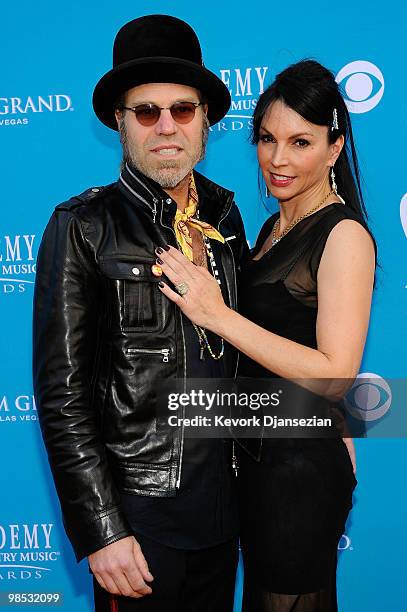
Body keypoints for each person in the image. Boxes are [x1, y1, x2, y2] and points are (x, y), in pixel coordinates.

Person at [33, 14, 248, 612]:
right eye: (146, 111)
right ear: (120, 124)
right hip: (139, 520)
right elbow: (62, 395)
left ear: (205, 119)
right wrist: (103, 530)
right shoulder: (83, 227)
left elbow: (247, 355)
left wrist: (331, 415)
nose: (166, 127)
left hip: (226, 514)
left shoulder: (228, 220)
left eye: (182, 109)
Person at [156, 59, 377, 611]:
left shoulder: (343, 234)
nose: (278, 160)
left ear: (334, 146)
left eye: (300, 142)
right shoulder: (273, 227)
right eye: (267, 139)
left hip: (296, 474)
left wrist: (218, 314)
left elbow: (334, 374)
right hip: (261, 463)